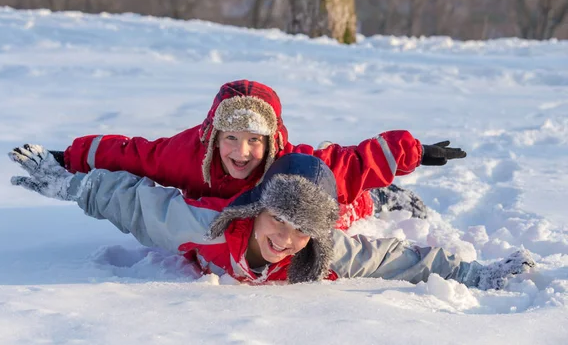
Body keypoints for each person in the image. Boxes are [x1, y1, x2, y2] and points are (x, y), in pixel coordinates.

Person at [9, 145, 533, 289]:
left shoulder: (319, 251)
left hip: (335, 203)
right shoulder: (204, 224)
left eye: (301, 232)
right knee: (336, 204)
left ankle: (381, 197)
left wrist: (467, 273)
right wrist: (74, 183)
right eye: (278, 222)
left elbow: (393, 258)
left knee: (347, 210)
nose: (286, 239)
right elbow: (135, 201)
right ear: (257, 210)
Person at [48, 79, 465, 229]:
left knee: (335, 207)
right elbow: (133, 155)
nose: (241, 152)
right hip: (230, 216)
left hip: (292, 206)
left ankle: (378, 198)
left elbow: (350, 161)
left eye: (254, 140)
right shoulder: (187, 156)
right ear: (214, 136)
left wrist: (407, 152)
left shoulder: (288, 166)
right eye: (231, 138)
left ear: (271, 142)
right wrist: (71, 158)